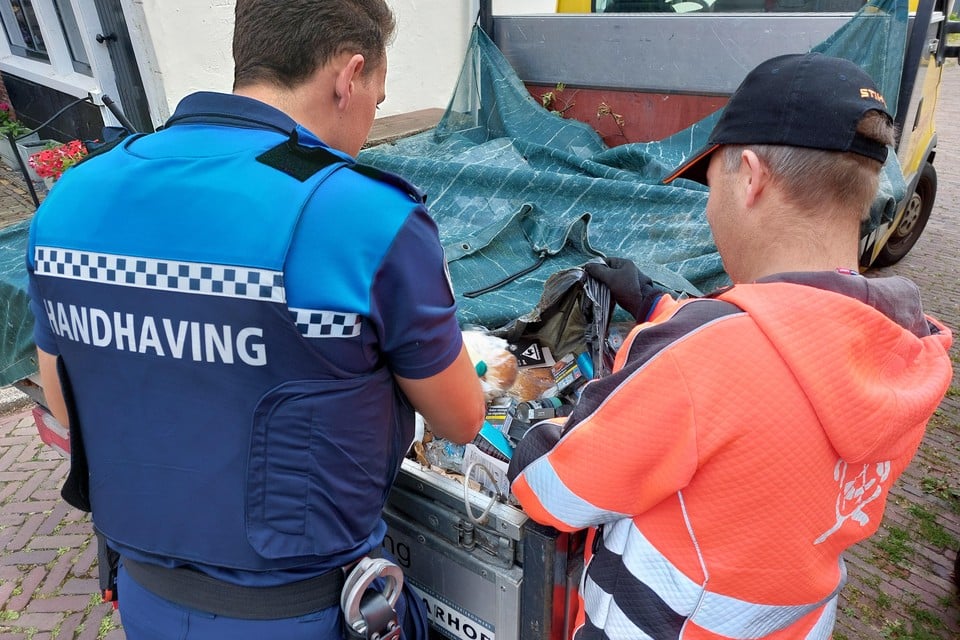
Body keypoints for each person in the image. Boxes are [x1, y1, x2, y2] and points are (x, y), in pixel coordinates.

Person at [25, 1, 486, 638]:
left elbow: (67, 402)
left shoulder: (72, 197)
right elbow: (460, 418)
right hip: (310, 615)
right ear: (348, 77)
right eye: (377, 98)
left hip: (147, 601)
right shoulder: (362, 216)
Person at [508, 52, 953, 639]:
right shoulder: (904, 345)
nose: (710, 208)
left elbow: (552, 491)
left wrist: (523, 427)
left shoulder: (701, 360)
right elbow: (789, 351)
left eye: (710, 184)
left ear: (751, 176)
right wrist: (662, 312)